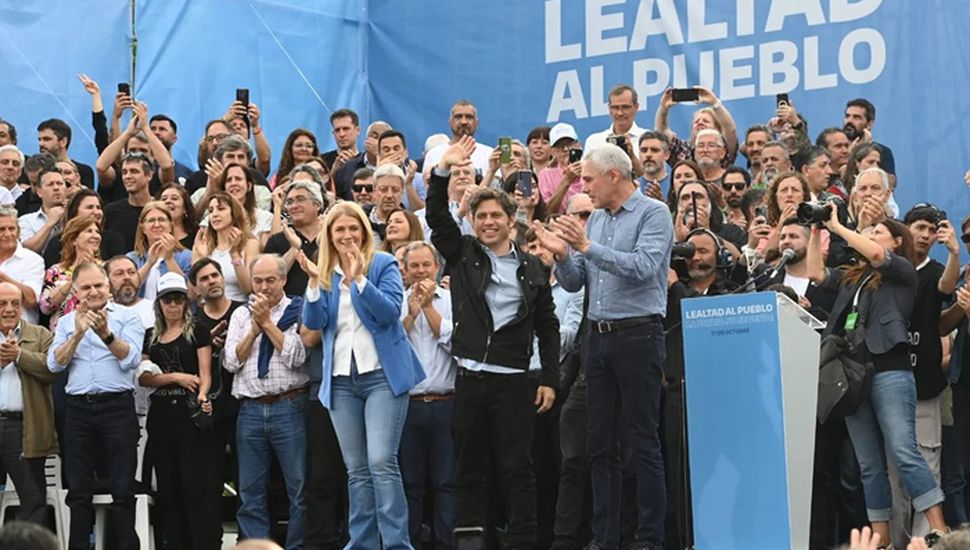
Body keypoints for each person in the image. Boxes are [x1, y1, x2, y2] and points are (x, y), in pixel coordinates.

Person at [533, 143, 673, 550]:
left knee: (643, 441)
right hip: (598, 338)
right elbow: (578, 281)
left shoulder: (653, 213)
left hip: (638, 337)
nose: (584, 186)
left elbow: (644, 268)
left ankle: (648, 539)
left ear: (614, 176)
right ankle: (603, 539)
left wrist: (585, 247)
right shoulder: (593, 221)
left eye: (589, 179)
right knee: (599, 444)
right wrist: (562, 257)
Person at [427, 137, 559, 549]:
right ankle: (472, 542)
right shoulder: (463, 253)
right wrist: (443, 172)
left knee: (518, 470)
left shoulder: (533, 267)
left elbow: (548, 326)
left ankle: (522, 543)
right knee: (469, 471)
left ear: (510, 220)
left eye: (495, 215)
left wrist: (550, 378)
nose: (488, 222)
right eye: (481, 215)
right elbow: (436, 217)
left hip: (515, 383)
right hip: (471, 380)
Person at [808, 211, 949, 548]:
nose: (870, 234)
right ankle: (881, 535)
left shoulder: (902, 271)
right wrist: (815, 230)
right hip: (853, 375)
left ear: (898, 241)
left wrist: (837, 226)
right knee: (868, 463)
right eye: (868, 230)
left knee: (903, 450)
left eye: (877, 230)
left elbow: (875, 255)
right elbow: (815, 273)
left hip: (890, 369)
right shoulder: (853, 277)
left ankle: (939, 526)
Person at [301, 201, 425, 550]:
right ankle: (362, 544)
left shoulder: (382, 263)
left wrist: (358, 280)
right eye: (339, 230)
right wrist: (313, 284)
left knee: (381, 461)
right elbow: (313, 324)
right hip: (341, 380)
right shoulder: (325, 272)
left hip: (382, 376)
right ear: (330, 235)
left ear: (364, 232)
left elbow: (388, 313)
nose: (347, 235)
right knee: (356, 469)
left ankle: (397, 544)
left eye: (353, 228)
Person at [47, 262, 144, 550]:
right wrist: (77, 334)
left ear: (108, 285)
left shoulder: (128, 316)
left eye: (98, 285)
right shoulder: (66, 322)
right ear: (75, 291)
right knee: (78, 491)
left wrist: (106, 334)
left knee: (124, 489)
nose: (93, 292)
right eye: (86, 287)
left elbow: (132, 360)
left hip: (117, 407)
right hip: (78, 410)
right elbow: (54, 363)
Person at [223, 254, 308, 549]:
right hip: (250, 410)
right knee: (249, 492)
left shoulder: (298, 308)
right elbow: (231, 361)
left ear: (283, 280)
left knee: (299, 488)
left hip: (290, 406)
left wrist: (268, 324)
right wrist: (254, 329)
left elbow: (298, 358)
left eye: (270, 280)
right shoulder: (240, 315)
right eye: (257, 280)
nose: (263, 287)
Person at [888, 205, 961, 545]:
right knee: (895, 474)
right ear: (905, 229)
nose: (925, 235)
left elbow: (947, 286)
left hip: (926, 386)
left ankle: (925, 542)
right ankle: (899, 541)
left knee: (928, 466)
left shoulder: (935, 270)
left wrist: (953, 252)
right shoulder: (890, 266)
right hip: (888, 384)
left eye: (932, 230)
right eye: (919, 227)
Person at [138, 272, 219, 549]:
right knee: (168, 488)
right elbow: (143, 377)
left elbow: (205, 373)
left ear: (186, 301)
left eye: (178, 299)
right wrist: (176, 378)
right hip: (160, 414)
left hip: (188, 413)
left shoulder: (197, 329)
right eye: (167, 300)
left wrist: (203, 394)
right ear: (159, 303)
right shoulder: (150, 335)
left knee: (194, 486)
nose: (173, 305)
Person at [398, 241, 457, 549]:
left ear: (437, 267)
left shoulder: (451, 300)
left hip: (446, 403)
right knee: (410, 484)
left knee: (446, 483)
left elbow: (455, 344)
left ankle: (446, 544)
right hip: (408, 405)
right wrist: (411, 313)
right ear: (405, 271)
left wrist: (429, 308)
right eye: (414, 266)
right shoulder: (397, 301)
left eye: (426, 265)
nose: (420, 271)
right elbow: (392, 346)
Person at [188, 258, 245, 545]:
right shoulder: (193, 322)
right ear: (196, 287)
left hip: (241, 409)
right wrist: (206, 347)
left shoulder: (242, 312)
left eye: (215, 275)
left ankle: (249, 543)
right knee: (208, 485)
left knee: (246, 483)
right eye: (204, 278)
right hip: (207, 412)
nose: (212, 281)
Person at [0, 282, 56, 526]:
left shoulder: (40, 335)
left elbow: (52, 369)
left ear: (23, 307)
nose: (9, 309)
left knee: (33, 498)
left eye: (15, 303)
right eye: (2, 303)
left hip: (23, 427)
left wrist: (19, 357)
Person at [191, 192, 261, 302]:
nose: (214, 214)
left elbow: (248, 289)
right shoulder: (202, 245)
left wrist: (234, 254)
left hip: (238, 308)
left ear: (234, 214)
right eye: (211, 210)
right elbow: (192, 294)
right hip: (209, 309)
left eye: (221, 209)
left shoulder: (250, 244)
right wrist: (203, 259)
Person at [263, 180, 327, 297]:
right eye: (289, 202)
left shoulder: (331, 238)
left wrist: (325, 240)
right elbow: (269, 278)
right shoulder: (277, 240)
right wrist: (294, 248)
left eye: (300, 199)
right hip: (289, 310)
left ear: (317, 204)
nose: (294, 206)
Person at [38, 215, 102, 331]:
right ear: (73, 240)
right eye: (89, 231)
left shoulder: (106, 269)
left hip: (96, 334)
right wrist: (75, 275)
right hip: (63, 337)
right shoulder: (56, 271)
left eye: (97, 232)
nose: (96, 235)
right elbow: (45, 308)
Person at [655, 86, 738, 169]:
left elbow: (730, 130)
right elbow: (662, 132)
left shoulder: (722, 147)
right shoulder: (685, 151)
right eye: (696, 122)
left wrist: (714, 102)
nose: (700, 123)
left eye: (705, 121)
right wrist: (663, 108)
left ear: (717, 128)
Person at [41, 188, 127, 269]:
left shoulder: (113, 239)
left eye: (98, 207)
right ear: (74, 212)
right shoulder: (58, 242)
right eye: (90, 207)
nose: (96, 212)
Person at [126, 202, 192, 299]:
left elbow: (190, 293)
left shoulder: (187, 257)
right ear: (142, 228)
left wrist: (169, 259)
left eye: (161, 220)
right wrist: (149, 264)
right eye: (151, 220)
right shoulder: (131, 259)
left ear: (170, 225)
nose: (157, 225)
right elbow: (128, 291)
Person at [198, 163, 274, 245]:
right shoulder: (211, 219)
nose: (233, 183)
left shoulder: (264, 218)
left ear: (249, 186)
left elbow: (264, 251)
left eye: (238, 179)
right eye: (229, 180)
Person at [422, 100, 494, 175]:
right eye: (458, 117)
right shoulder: (434, 154)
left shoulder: (488, 154)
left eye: (469, 117)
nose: (464, 122)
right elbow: (428, 185)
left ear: (476, 123)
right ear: (450, 122)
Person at [102, 152, 154, 251]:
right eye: (124, 172)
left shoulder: (160, 209)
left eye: (134, 171)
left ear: (149, 175)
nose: (127, 176)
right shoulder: (111, 211)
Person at [0, 207, 44, 324]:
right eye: (1, 229)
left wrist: (2, 277)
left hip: (23, 334)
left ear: (18, 232)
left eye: (11, 229)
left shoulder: (33, 260)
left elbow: (31, 300)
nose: (8, 234)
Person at [18, 166, 66, 255]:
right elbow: (26, 252)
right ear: (39, 192)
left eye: (60, 183)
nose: (56, 188)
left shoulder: (77, 215)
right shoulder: (26, 220)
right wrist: (49, 224)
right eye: (50, 184)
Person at [538, 122, 583, 215]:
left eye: (569, 144)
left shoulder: (591, 168)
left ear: (578, 145)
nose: (566, 149)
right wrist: (566, 180)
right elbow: (547, 212)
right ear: (552, 151)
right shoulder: (545, 175)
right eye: (560, 145)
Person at [36, 119, 94, 189]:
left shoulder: (84, 171)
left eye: (47, 139)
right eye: (39, 139)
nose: (41, 144)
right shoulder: (35, 170)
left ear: (63, 141)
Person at [585, 84, 647, 149]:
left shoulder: (650, 140)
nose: (620, 113)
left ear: (636, 107)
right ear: (609, 109)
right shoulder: (594, 142)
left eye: (625, 107)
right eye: (615, 107)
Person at [148, 113, 195, 182]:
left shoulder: (186, 173)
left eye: (162, 129)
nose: (156, 132)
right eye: (153, 129)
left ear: (174, 139)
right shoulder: (142, 167)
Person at [323, 108, 361, 185]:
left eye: (346, 129)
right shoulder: (322, 161)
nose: (341, 134)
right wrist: (334, 172)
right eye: (337, 130)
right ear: (333, 133)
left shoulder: (365, 161)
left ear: (357, 130)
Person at [158, 182, 200, 249]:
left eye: (174, 198)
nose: (168, 201)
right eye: (164, 199)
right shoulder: (151, 233)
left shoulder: (197, 234)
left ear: (185, 208)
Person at [635, 131, 671, 200]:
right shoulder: (632, 187)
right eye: (644, 150)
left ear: (666, 155)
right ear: (639, 154)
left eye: (654, 150)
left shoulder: (675, 184)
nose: (648, 155)